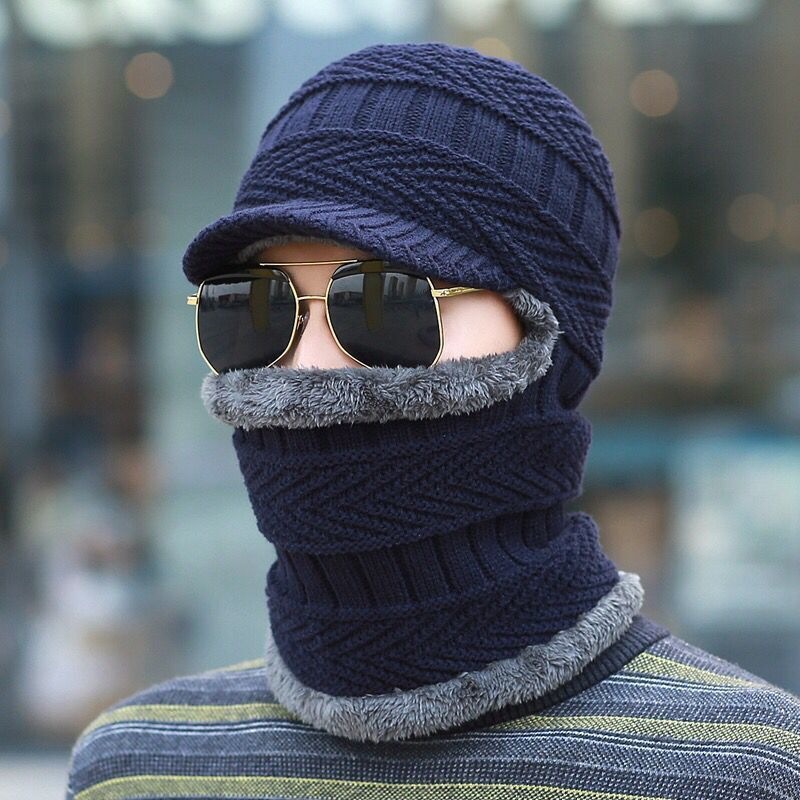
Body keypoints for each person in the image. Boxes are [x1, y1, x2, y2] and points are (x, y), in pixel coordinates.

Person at [65, 41, 800, 800]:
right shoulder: (137, 769)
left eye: (383, 303)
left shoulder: (748, 774)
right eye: (253, 312)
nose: (304, 369)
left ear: (552, 342)